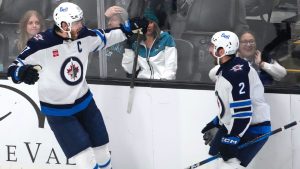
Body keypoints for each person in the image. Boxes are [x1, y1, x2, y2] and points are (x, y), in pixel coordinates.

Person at [7, 2, 147, 169]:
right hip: (59, 112)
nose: (81, 25)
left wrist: (128, 28)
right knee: (84, 158)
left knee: (102, 150)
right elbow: (14, 67)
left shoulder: (83, 35)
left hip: (85, 104)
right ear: (64, 25)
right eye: (76, 22)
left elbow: (105, 37)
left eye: (80, 21)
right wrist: (21, 73)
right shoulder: (40, 44)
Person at [202, 31, 271, 169]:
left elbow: (243, 112)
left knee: (229, 165)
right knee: (213, 159)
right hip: (235, 125)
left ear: (222, 50)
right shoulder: (226, 68)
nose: (210, 49)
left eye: (213, 46)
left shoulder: (237, 73)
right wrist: (217, 122)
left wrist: (232, 139)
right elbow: (230, 105)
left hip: (253, 128)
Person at [209, 31, 287, 85]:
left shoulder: (265, 58)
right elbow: (212, 75)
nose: (249, 45)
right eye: (244, 42)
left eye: (252, 41)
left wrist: (262, 64)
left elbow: (282, 74)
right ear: (237, 45)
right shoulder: (230, 60)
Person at [122, 8, 178, 80]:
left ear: (155, 25)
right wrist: (128, 48)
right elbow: (130, 70)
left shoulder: (166, 39)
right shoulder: (136, 43)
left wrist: (163, 83)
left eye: (150, 22)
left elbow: (171, 68)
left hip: (162, 84)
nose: (148, 25)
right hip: (142, 84)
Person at [104, 5, 128, 78]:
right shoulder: (103, 37)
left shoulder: (128, 41)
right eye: (108, 20)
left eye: (113, 20)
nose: (109, 23)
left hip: (118, 82)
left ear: (123, 22)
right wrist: (104, 16)